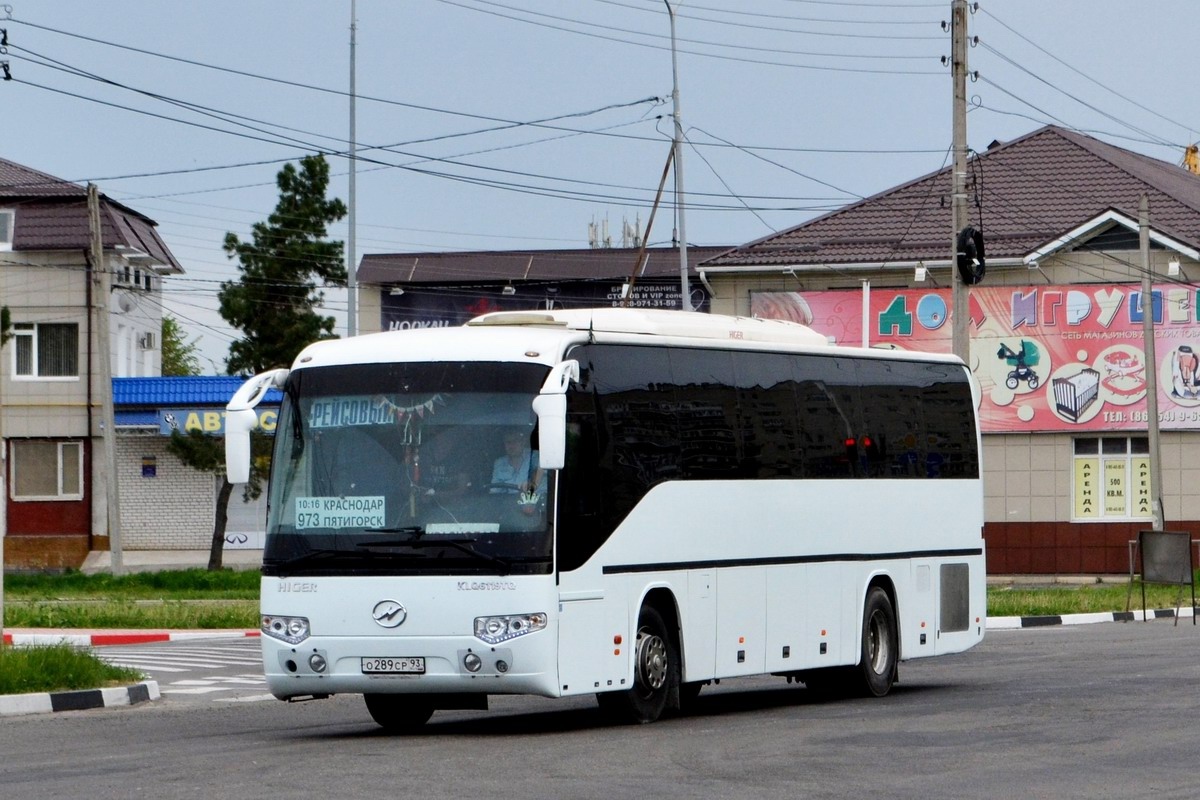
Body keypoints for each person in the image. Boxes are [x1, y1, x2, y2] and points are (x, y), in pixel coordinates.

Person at [490, 428, 545, 498]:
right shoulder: (499, 463)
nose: (512, 445)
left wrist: (532, 484)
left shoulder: (535, 456)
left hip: (535, 501)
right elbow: (495, 490)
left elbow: (538, 470)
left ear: (523, 442)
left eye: (515, 441)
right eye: (508, 442)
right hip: (511, 504)